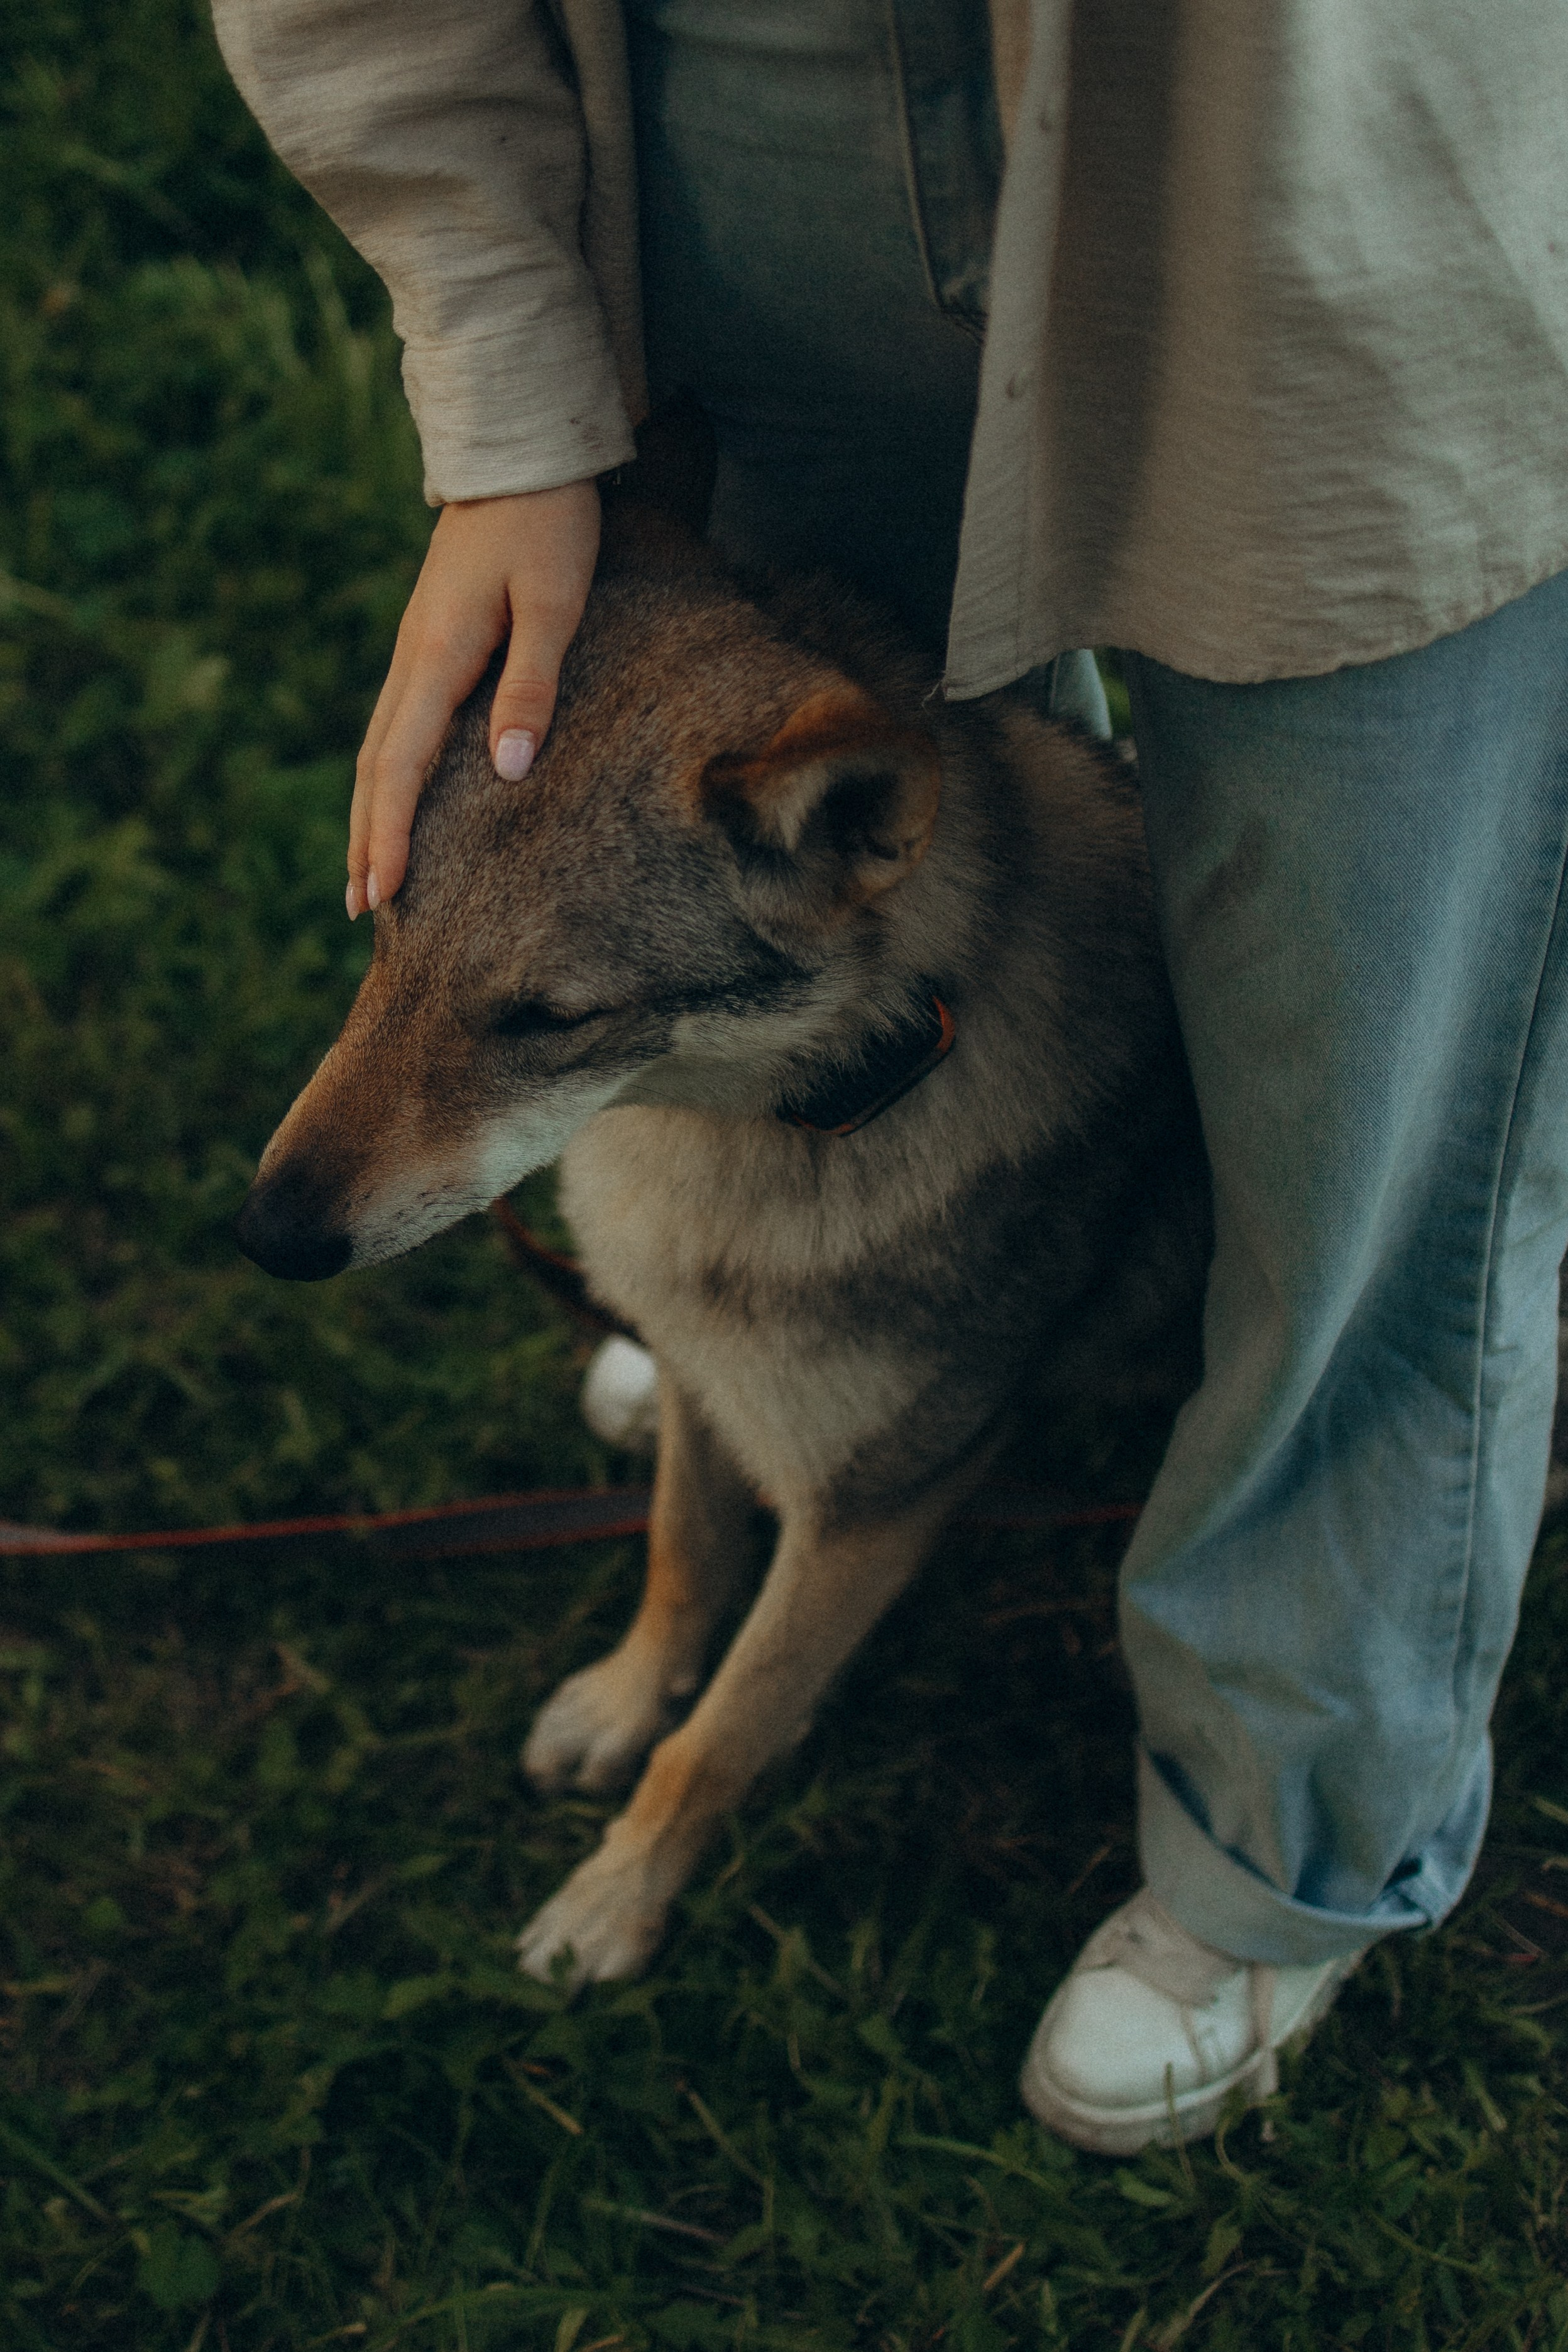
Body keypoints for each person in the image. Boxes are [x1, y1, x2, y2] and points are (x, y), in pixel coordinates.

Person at [212, 0, 1568, 2153]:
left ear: (853, 853)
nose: (334, 1144)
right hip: (756, 121)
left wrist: (667, 1801)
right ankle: (711, 1438)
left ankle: (1283, 1837)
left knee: (1376, 1152)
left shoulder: (817, 860)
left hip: (1340, 181)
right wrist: (506, 379)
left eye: (537, 1031)